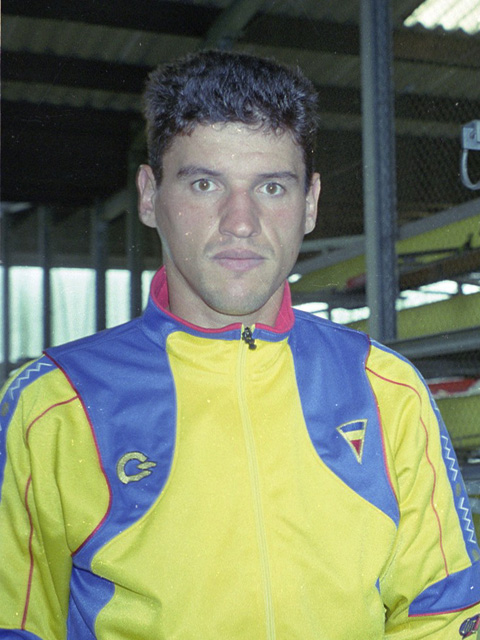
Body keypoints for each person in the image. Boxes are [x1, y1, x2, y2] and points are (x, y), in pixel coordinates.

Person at [0, 49, 479, 640]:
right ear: (149, 195)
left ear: (310, 204)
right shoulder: (56, 404)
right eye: (205, 184)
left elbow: (442, 613)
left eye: (272, 187)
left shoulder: (386, 390)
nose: (241, 222)